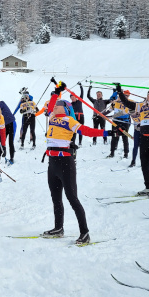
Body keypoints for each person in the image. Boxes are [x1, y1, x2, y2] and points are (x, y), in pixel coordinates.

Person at [41, 81, 108, 245]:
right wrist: (57, 91)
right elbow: (50, 104)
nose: (54, 106)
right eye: (55, 105)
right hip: (52, 163)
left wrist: (107, 132)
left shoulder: (70, 120)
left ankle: (85, 233)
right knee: (55, 198)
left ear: (65, 108)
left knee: (72, 198)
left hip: (65, 163)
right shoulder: (51, 116)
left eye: (58, 105)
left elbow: (86, 131)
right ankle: (58, 228)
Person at [105, 90, 131, 160]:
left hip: (124, 122)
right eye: (124, 95)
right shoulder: (115, 101)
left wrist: (111, 117)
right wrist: (103, 114)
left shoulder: (129, 102)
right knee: (114, 136)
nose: (126, 97)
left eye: (127, 96)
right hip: (116, 122)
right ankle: (112, 153)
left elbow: (124, 112)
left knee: (125, 137)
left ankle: (126, 153)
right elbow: (110, 108)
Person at [0, 94, 17, 165]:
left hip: (11, 124)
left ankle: (12, 158)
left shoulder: (1, 103)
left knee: (10, 142)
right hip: (3, 125)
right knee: (1, 141)